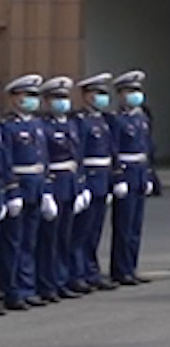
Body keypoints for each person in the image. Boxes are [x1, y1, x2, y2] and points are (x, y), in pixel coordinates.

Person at [4, 75, 49, 311]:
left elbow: (44, 160)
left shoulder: (37, 125)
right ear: (14, 98)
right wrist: (11, 191)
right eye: (27, 95)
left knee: (29, 242)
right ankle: (12, 291)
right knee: (13, 243)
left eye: (35, 95)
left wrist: (47, 191)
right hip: (19, 187)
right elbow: (6, 162)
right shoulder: (7, 127)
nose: (32, 100)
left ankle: (26, 287)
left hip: (36, 187)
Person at [109, 70, 157, 287]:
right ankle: (120, 270)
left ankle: (131, 267)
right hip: (126, 173)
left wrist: (148, 175)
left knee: (135, 227)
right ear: (120, 95)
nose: (135, 95)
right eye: (130, 91)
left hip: (139, 173)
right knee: (124, 226)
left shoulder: (141, 118)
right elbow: (113, 149)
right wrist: (118, 176)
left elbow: (147, 148)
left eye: (137, 91)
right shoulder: (116, 119)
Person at [39, 77, 82, 300]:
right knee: (49, 240)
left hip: (69, 183)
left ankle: (62, 280)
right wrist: (47, 190)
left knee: (65, 236)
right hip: (54, 183)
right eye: (56, 98)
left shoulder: (71, 124)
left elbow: (77, 156)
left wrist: (80, 186)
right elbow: (43, 159)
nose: (62, 102)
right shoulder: (43, 126)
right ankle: (48, 283)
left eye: (64, 97)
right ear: (46, 101)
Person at [74, 74, 118, 292]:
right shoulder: (80, 121)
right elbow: (78, 155)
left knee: (95, 231)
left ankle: (91, 272)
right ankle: (78, 273)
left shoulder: (103, 120)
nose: (101, 97)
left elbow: (109, 153)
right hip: (89, 180)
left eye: (103, 93)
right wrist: (81, 184)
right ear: (86, 96)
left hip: (102, 180)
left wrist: (112, 181)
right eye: (96, 93)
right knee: (81, 232)